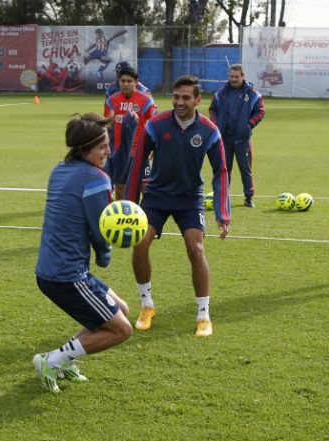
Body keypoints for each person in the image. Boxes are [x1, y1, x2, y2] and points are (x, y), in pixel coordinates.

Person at [33, 113, 134, 393]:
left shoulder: (59, 170)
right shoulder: (96, 180)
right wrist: (107, 254)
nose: (107, 151)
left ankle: (63, 359)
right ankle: (51, 361)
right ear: (84, 149)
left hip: (52, 269)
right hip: (67, 275)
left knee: (121, 310)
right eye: (102, 147)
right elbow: (99, 231)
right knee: (122, 330)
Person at [125, 75, 231, 337]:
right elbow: (138, 163)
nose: (179, 102)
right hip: (156, 196)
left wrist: (222, 212)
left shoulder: (209, 131)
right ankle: (147, 305)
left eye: (186, 98)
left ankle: (203, 314)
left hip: (189, 198)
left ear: (197, 99)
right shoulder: (156, 125)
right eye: (176, 97)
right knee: (140, 243)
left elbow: (221, 172)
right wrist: (129, 205)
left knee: (196, 248)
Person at [208, 64, 265, 207]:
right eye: (232, 76)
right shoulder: (220, 94)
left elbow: (260, 111)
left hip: (242, 139)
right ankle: (223, 198)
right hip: (224, 138)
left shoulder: (252, 94)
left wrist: (249, 125)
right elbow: (212, 110)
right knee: (224, 169)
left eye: (237, 77)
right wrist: (216, 125)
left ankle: (248, 197)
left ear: (242, 76)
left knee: (245, 169)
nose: (234, 79)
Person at [105, 66, 156, 201]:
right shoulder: (111, 101)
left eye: (129, 81)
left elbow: (154, 126)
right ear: (118, 82)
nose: (126, 84)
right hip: (120, 154)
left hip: (141, 151)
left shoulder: (146, 101)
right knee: (120, 187)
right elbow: (107, 125)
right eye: (122, 81)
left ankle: (145, 217)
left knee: (145, 187)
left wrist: (153, 148)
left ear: (136, 82)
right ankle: (122, 217)